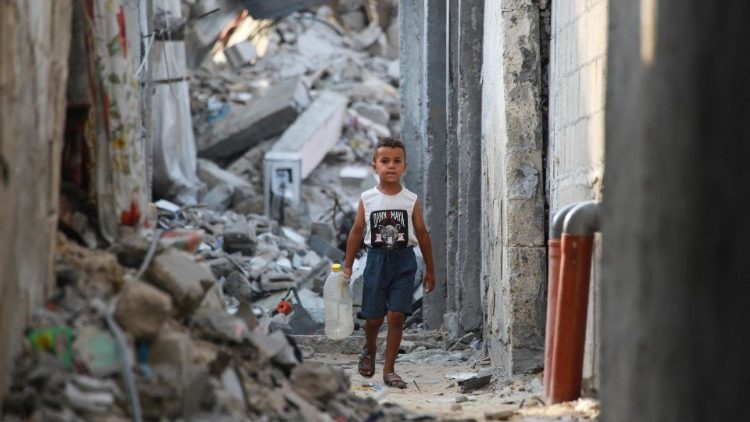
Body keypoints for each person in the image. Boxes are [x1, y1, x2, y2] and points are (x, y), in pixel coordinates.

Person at [343, 137, 436, 389]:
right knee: (373, 318)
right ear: (375, 166)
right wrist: (348, 266)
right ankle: (370, 349)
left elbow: (423, 234)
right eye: (385, 161)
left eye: (397, 161)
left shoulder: (410, 200)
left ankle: (390, 370)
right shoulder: (368, 198)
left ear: (405, 166)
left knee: (396, 316)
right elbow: (355, 232)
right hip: (376, 261)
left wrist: (430, 269)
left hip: (404, 261)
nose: (391, 166)